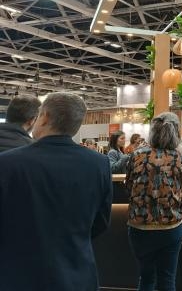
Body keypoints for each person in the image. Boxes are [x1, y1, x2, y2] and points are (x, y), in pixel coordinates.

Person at [0, 92, 112, 290]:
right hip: (77, 271)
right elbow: (101, 221)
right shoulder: (99, 164)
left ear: (44, 117)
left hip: (19, 273)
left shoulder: (8, 162)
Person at [126, 112, 182, 291]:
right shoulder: (179, 157)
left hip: (140, 227)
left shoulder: (136, 155)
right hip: (171, 226)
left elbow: (129, 186)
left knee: (146, 278)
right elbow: (180, 187)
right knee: (167, 280)